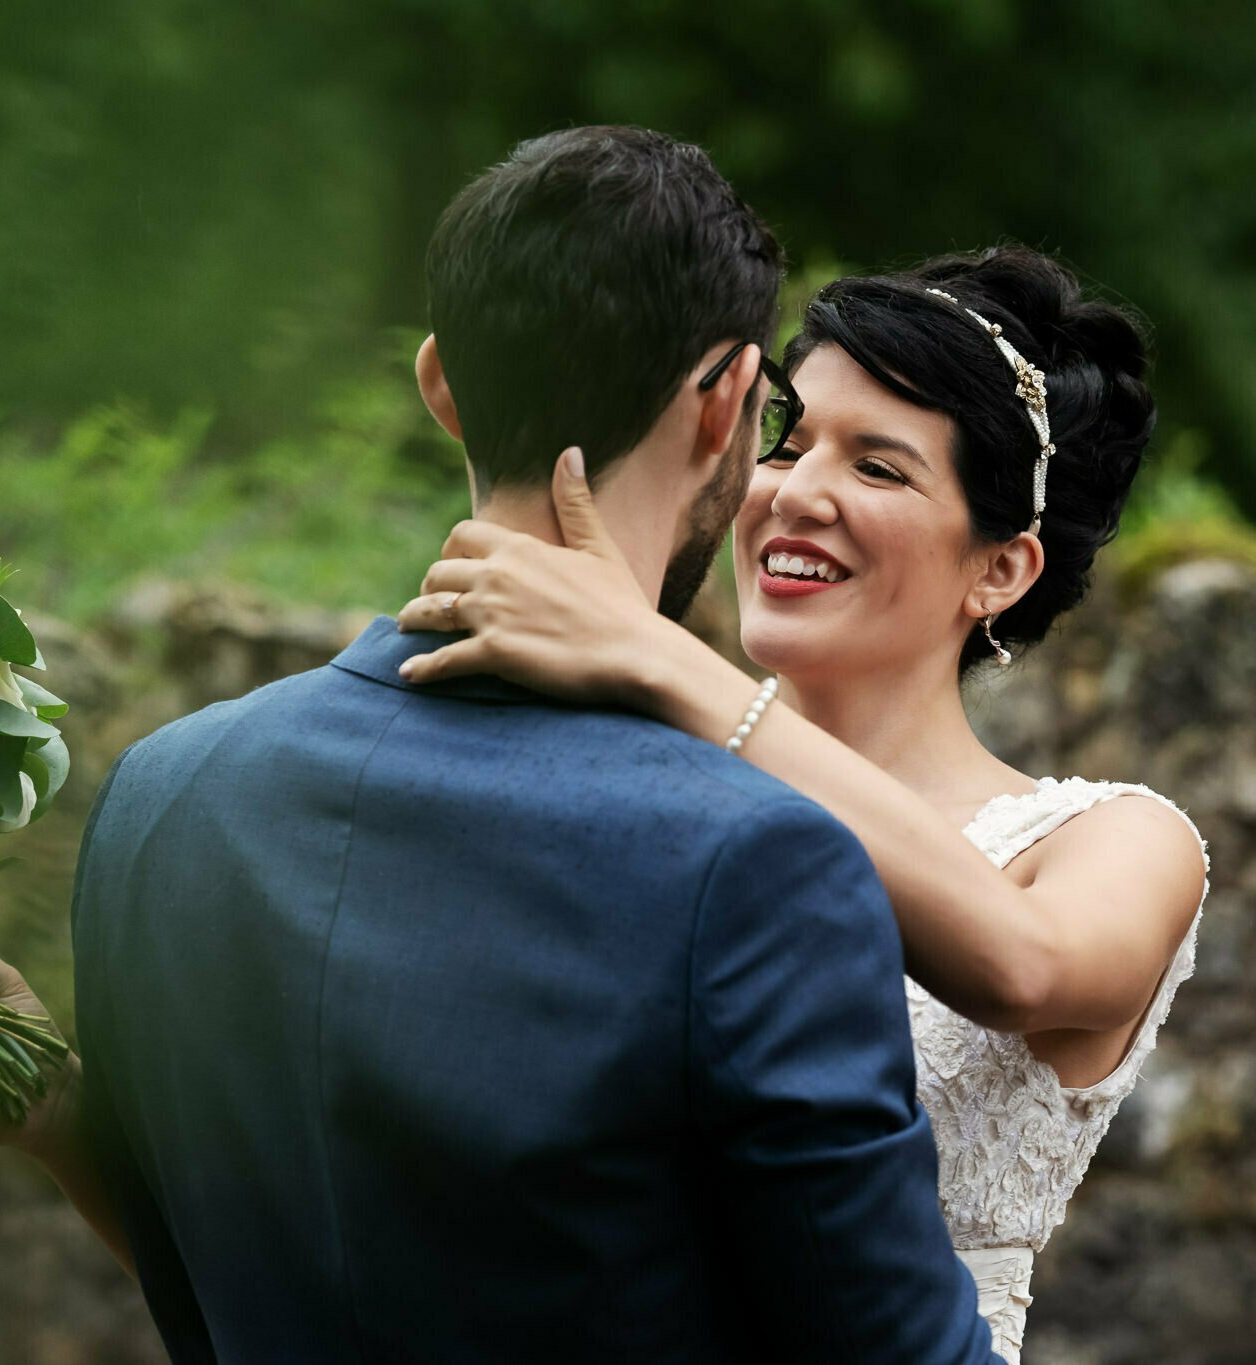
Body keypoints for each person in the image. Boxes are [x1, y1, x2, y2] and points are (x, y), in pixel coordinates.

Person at [0, 126, 1002, 1363]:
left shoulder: (162, 799)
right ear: (723, 401)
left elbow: (228, 1285)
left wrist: (66, 1120)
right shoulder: (764, 864)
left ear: (439, 384)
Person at [391, 245, 1211, 1362]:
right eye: (783, 438)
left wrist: (664, 658)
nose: (791, 490)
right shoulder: (626, 767)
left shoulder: (1116, 839)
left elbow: (1023, 966)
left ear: (1001, 570)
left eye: (878, 469)